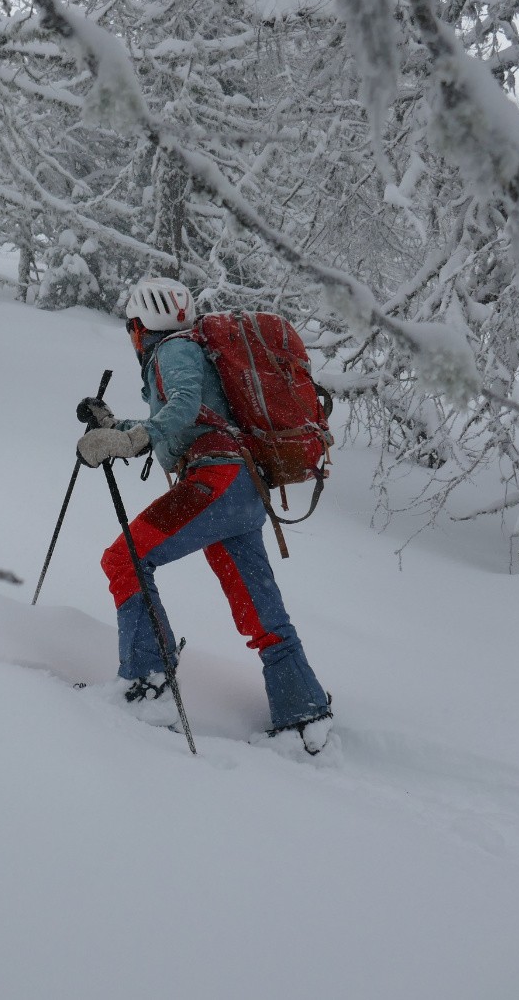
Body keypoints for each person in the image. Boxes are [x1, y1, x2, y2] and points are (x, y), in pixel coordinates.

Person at [75, 276, 334, 754]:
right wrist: (116, 428)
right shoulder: (190, 349)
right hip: (242, 490)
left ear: (140, 326)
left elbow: (184, 406)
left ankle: (146, 686)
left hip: (214, 484)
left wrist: (128, 441)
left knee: (124, 559)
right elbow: (184, 422)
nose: (131, 336)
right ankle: (303, 712)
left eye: (131, 327)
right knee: (259, 607)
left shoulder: (172, 352)